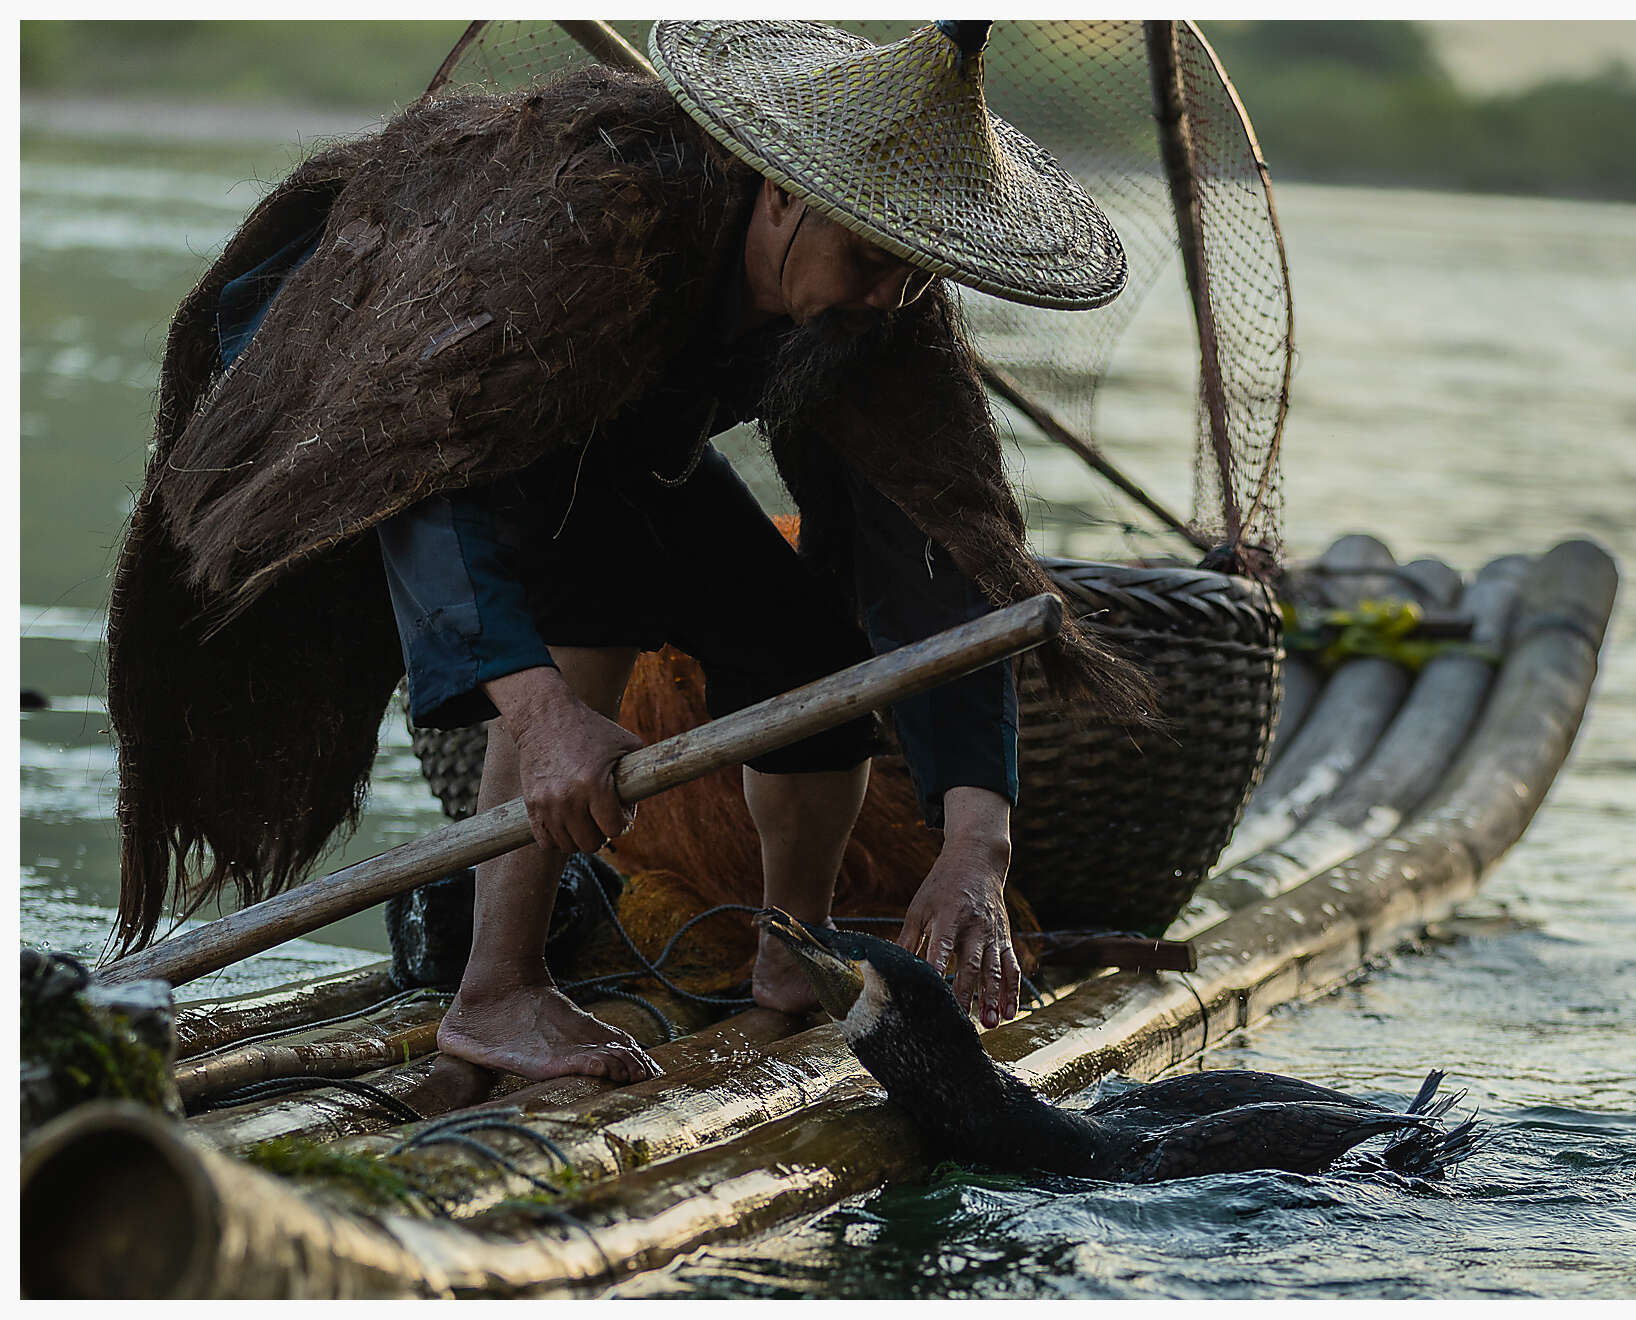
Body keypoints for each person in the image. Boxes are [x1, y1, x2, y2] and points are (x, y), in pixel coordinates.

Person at [106, 19, 1152, 1084]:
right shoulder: (587, 224)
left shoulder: (876, 306)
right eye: (873, 261)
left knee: (807, 653)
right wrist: (542, 712)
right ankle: (495, 991)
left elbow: (932, 542)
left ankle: (791, 950)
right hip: (360, 382)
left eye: (913, 274)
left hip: (604, 428)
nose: (888, 293)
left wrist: (979, 839)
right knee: (582, 584)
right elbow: (430, 470)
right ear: (780, 195)